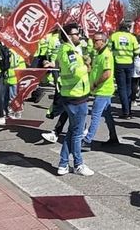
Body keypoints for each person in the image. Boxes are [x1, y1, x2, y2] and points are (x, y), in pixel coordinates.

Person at [55, 23, 93, 176]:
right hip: (74, 96)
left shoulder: (72, 50)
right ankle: (78, 164)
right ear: (69, 36)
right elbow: (76, 71)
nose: (79, 36)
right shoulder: (68, 51)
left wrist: (84, 58)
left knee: (72, 131)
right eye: (76, 33)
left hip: (76, 95)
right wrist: (86, 66)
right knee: (77, 134)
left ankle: (63, 163)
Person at [82, 32, 119, 149]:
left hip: (103, 90)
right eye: (93, 40)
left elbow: (107, 73)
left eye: (96, 40)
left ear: (103, 41)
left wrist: (95, 84)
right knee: (107, 115)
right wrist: (88, 65)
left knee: (95, 115)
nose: (94, 42)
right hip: (100, 90)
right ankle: (113, 138)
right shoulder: (98, 54)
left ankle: (88, 140)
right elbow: (95, 70)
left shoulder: (106, 55)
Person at [110, 24, 140, 118]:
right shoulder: (132, 37)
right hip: (129, 64)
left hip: (118, 63)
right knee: (128, 88)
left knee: (122, 88)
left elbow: (108, 49)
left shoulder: (114, 36)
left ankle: (126, 111)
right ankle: (129, 110)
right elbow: (137, 51)